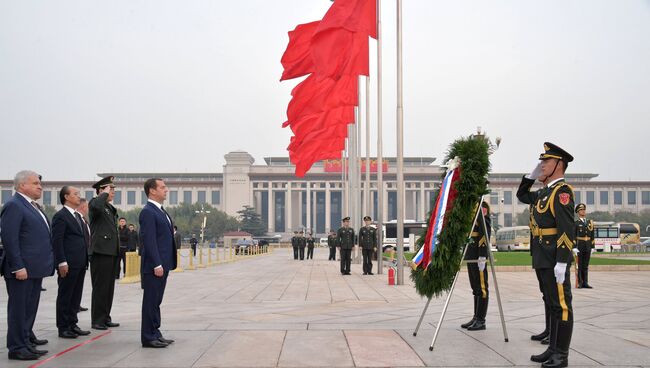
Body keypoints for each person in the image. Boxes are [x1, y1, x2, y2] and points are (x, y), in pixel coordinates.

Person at [517, 142, 575, 368]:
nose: (541, 165)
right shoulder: (544, 192)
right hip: (542, 255)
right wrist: (529, 177)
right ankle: (552, 348)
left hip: (553, 257)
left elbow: (566, 229)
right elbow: (522, 196)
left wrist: (562, 261)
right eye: (541, 161)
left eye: (546, 161)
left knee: (561, 304)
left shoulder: (562, 193)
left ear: (559, 165)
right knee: (551, 303)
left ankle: (561, 355)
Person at [1, 170, 54, 361]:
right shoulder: (14, 205)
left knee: (29, 309)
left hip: (35, 269)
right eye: (35, 183)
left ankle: (25, 343)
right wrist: (17, 266)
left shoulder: (32, 206)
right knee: (19, 309)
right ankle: (16, 347)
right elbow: (9, 238)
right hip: (22, 270)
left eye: (40, 183)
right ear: (22, 185)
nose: (40, 186)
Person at [139, 178, 177, 348]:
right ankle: (148, 336)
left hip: (163, 264)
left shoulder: (160, 211)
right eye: (162, 187)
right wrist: (156, 264)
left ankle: (155, 332)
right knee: (150, 301)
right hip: (155, 266)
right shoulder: (148, 211)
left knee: (156, 301)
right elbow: (149, 240)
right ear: (152, 191)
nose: (166, 190)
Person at [52, 186, 91, 339]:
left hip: (80, 262)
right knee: (65, 295)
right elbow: (57, 241)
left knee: (76, 296)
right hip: (68, 263)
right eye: (75, 194)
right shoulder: (61, 216)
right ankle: (63, 327)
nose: (78, 196)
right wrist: (61, 262)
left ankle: (72, 324)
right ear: (66, 197)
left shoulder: (76, 216)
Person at [88, 176, 120, 331]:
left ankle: (105, 317)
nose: (112, 192)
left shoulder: (108, 208)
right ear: (101, 190)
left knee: (108, 288)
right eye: (110, 189)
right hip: (100, 252)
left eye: (113, 189)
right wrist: (103, 194)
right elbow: (96, 206)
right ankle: (97, 320)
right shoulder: (96, 204)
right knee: (100, 288)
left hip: (110, 252)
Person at [461, 202, 491, 331]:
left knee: (482, 287)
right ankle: (475, 317)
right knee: (475, 287)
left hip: (478, 253)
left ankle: (481, 320)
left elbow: (485, 230)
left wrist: (483, 255)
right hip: (471, 253)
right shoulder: (468, 206)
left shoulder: (481, 205)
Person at [76, 198, 90, 313]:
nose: (88, 209)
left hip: (83, 259)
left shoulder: (84, 220)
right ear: (82, 207)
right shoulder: (77, 219)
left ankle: (76, 304)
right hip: (74, 260)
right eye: (87, 206)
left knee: (78, 286)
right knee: (71, 288)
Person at [574, 203, 594, 289]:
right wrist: (574, 247)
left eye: (584, 210)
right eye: (581, 210)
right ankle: (580, 282)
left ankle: (585, 282)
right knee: (580, 265)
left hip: (588, 245)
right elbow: (573, 235)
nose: (583, 211)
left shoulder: (590, 222)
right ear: (578, 212)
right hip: (580, 245)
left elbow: (592, 235)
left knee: (586, 265)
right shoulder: (576, 223)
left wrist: (592, 247)